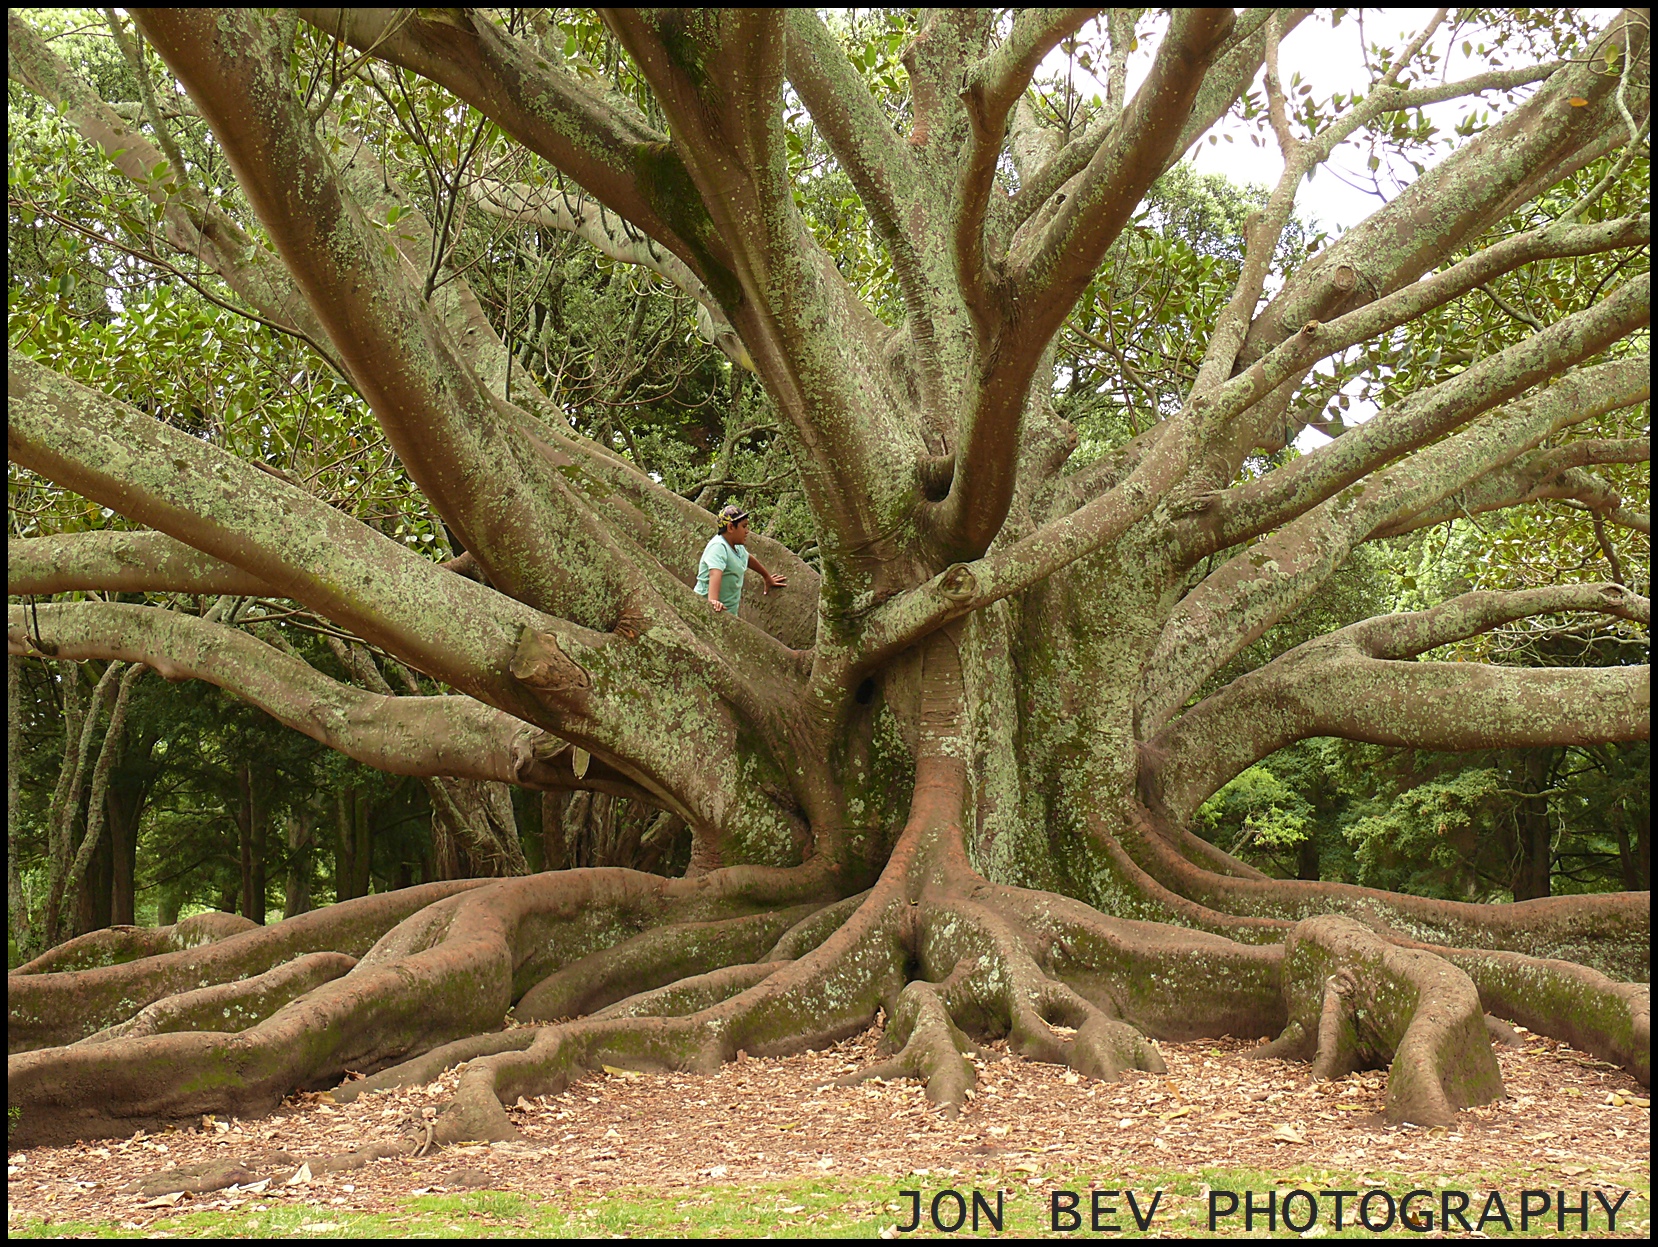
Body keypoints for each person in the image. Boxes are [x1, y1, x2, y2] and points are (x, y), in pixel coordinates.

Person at [696, 504, 786, 616]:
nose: (747, 531)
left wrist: (766, 576)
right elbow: (715, 573)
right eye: (744, 527)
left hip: (729, 614)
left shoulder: (737, 546)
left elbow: (748, 559)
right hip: (708, 612)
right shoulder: (718, 547)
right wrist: (713, 601)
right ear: (730, 527)